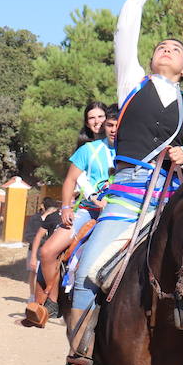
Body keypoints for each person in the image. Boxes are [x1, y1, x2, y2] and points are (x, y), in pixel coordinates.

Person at [54, 0, 183, 365]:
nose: (166, 48)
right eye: (161, 46)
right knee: (88, 272)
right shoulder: (132, 84)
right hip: (126, 203)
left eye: (176, 49)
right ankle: (82, 359)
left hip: (174, 207)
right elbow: (125, 30)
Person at [33, 102, 117, 319]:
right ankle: (50, 302)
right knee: (47, 251)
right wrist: (66, 207)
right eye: (95, 119)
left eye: (106, 120)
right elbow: (70, 180)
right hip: (88, 211)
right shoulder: (87, 150)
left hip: (120, 213)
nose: (104, 125)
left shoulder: (132, 150)